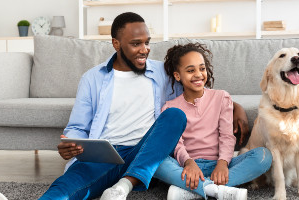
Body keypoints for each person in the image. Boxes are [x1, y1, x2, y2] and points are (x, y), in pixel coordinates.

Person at [39, 12, 249, 200]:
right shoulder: (92, 78)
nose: (144, 50)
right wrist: (72, 145)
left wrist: (235, 106)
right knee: (64, 189)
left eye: (147, 43)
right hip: (107, 155)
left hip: (149, 153)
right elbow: (78, 127)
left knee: (174, 116)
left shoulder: (162, 72)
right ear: (116, 43)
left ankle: (124, 186)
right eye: (136, 43)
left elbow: (196, 91)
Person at [153, 43, 273, 200]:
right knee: (155, 160)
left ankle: (192, 191)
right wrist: (189, 163)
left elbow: (226, 136)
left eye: (202, 69)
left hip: (219, 165)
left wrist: (222, 164)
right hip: (187, 167)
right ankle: (215, 190)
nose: (198, 74)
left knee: (264, 155)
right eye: (190, 70)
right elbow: (177, 144)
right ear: (177, 76)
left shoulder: (221, 97)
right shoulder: (170, 107)